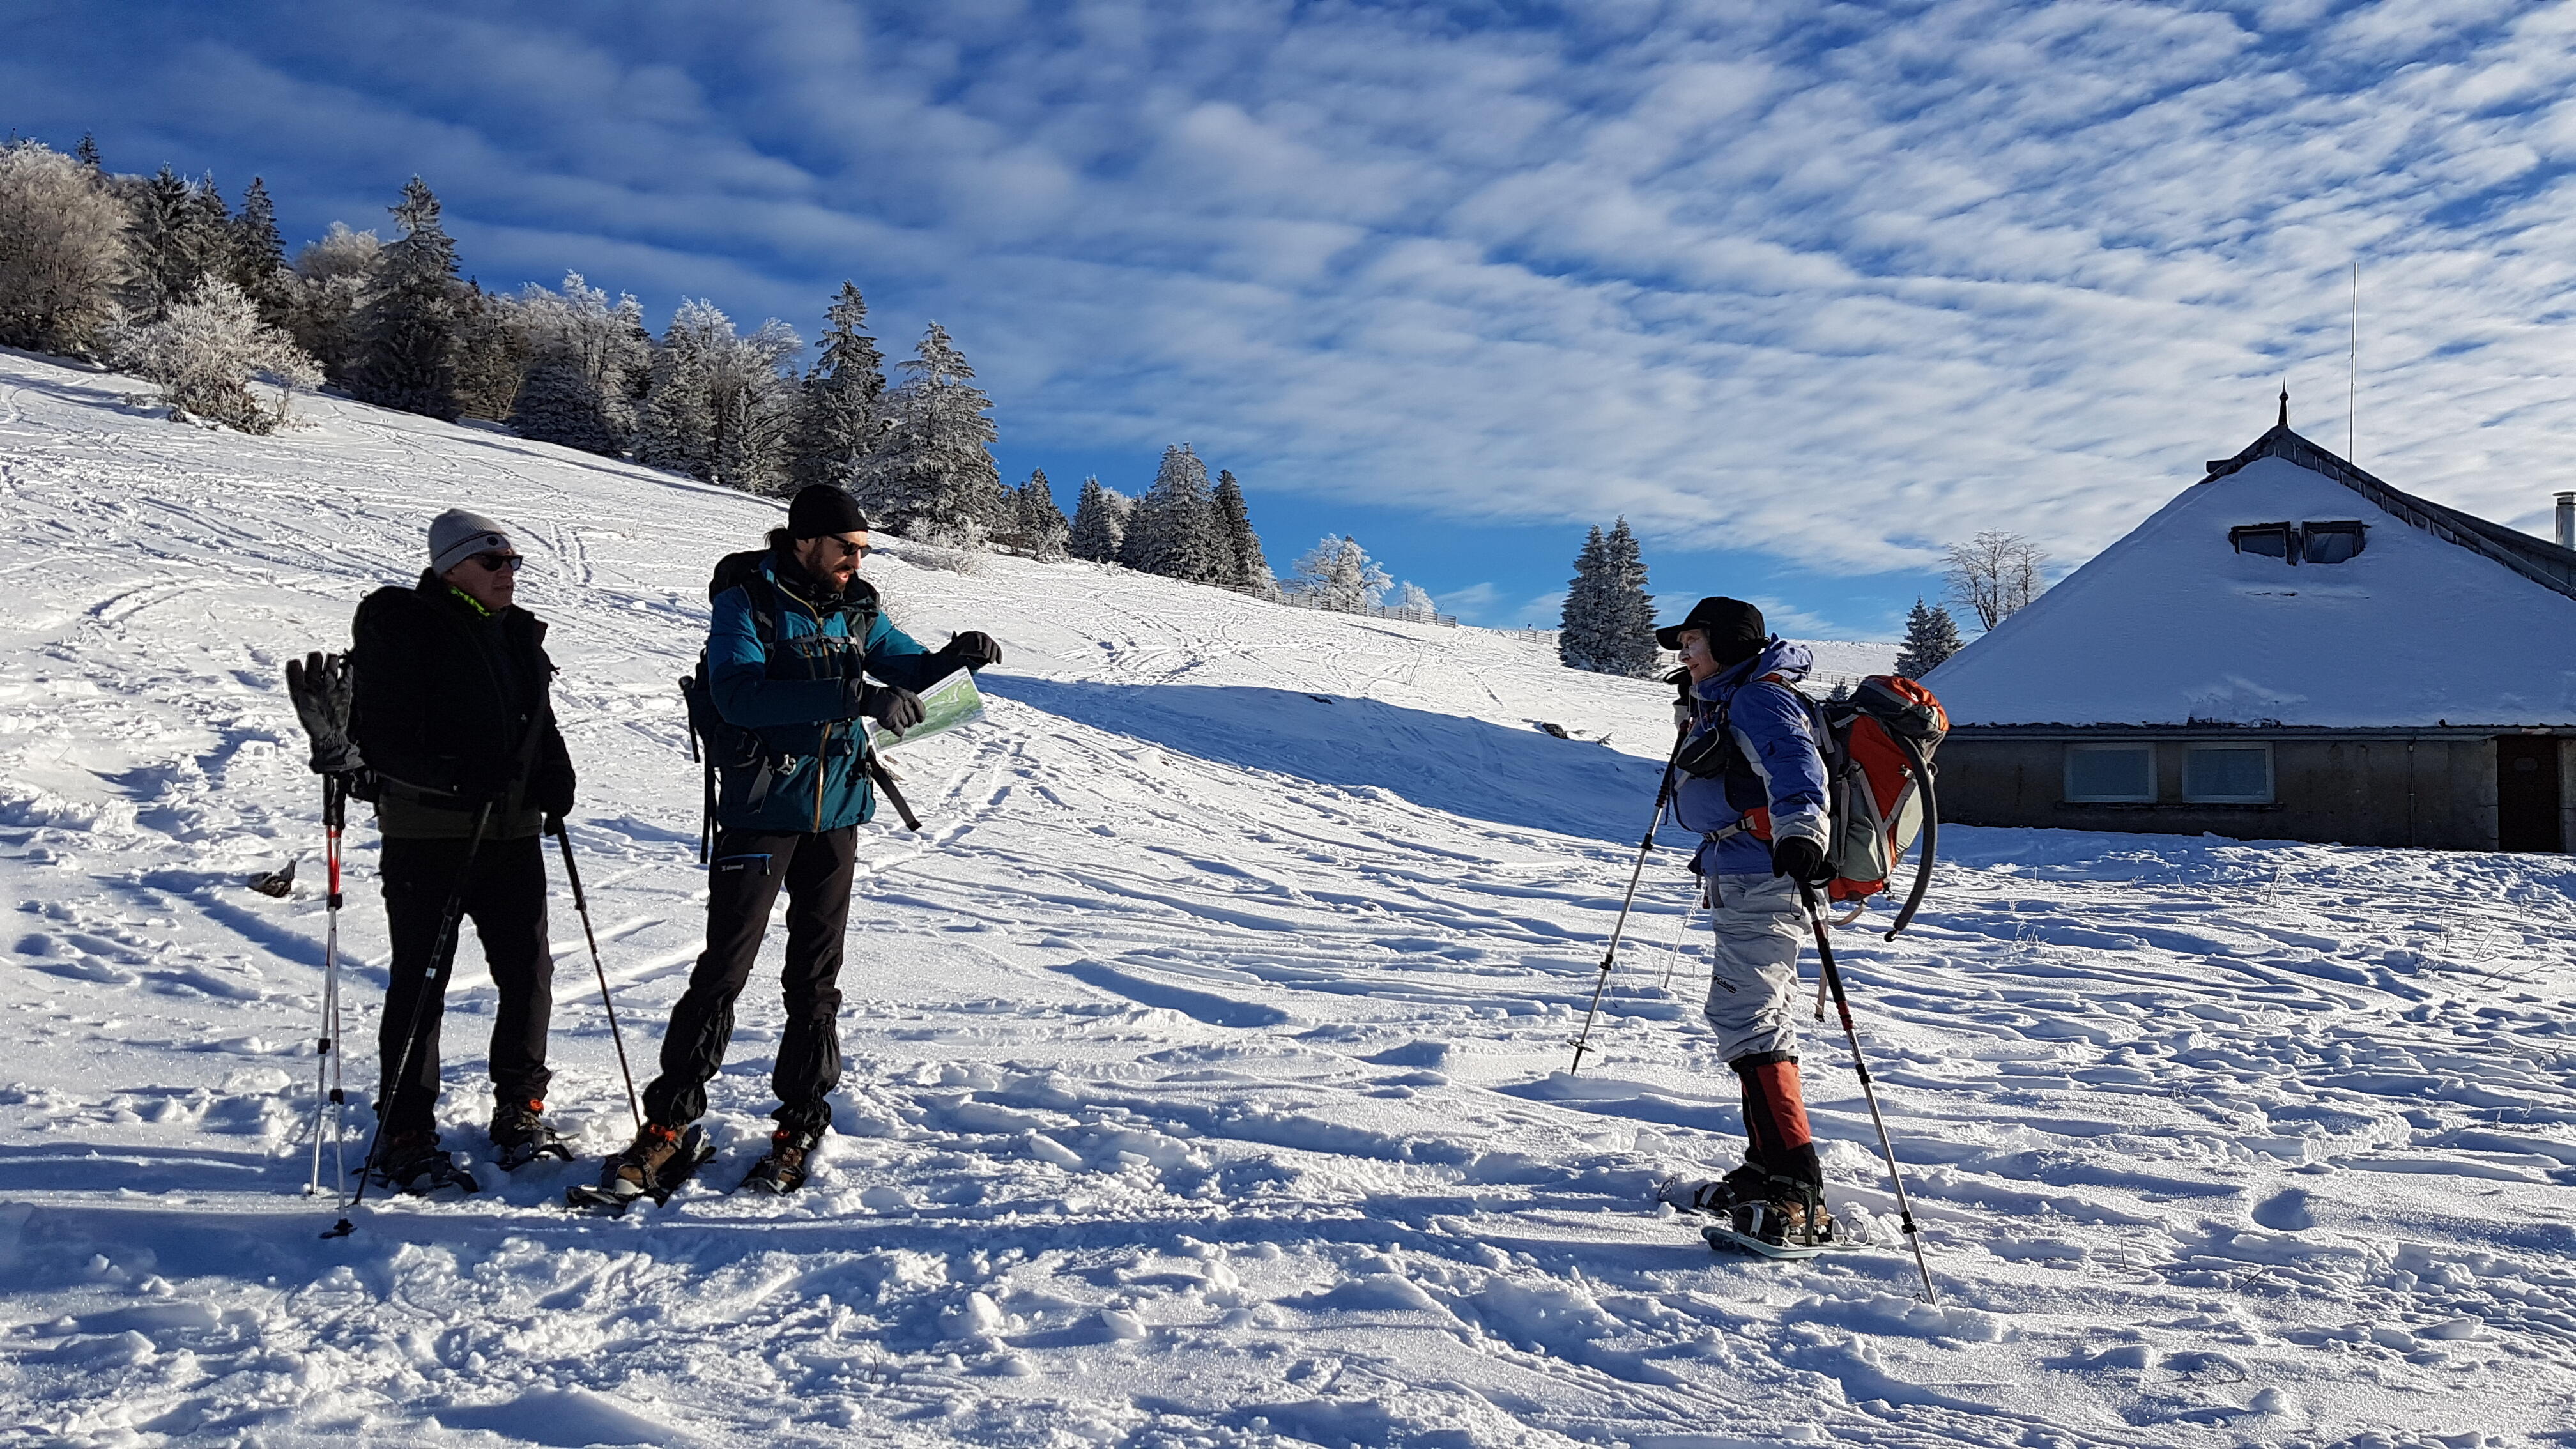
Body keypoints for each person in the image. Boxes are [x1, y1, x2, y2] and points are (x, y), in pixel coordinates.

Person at [583, 484, 1002, 1206]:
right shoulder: (746, 601)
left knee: (814, 977)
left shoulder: (856, 607)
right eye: (847, 548)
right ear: (805, 539)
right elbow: (740, 694)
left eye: (863, 550)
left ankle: (800, 1125)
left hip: (837, 811)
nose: (856, 562)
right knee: (723, 969)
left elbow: (906, 666)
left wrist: (955, 658)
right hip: (761, 809)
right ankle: (669, 1126)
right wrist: (854, 697)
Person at [349, 509, 577, 1191]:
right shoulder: (406, 627)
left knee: (529, 972)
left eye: (512, 562)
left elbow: (538, 722)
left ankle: (521, 1105)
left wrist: (557, 773)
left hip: (511, 833)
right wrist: (458, 778)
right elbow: (383, 737)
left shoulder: (516, 634)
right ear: (452, 569)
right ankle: (406, 1129)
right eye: (492, 562)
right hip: (430, 836)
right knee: (422, 981)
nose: (508, 574)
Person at [1652, 595, 1843, 1249]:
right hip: (1742, 875)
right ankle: (1765, 1168)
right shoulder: (1727, 699)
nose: (1685, 654)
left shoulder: (1761, 699)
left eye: (1694, 642)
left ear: (1731, 644)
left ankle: (1797, 1189)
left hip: (1767, 876)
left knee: (1749, 1018)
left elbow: (1797, 766)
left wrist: (1803, 835)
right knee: (1750, 1017)